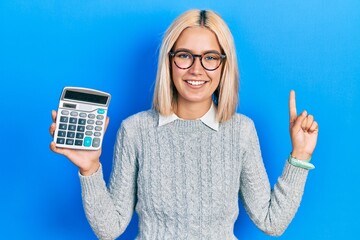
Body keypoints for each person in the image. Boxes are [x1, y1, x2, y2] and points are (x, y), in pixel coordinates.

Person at [49, 9, 319, 240]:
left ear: (225, 66)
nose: (197, 69)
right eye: (185, 56)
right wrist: (90, 169)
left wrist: (301, 156)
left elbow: (272, 222)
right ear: (169, 61)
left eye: (210, 57)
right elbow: (109, 229)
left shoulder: (241, 131)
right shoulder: (135, 131)